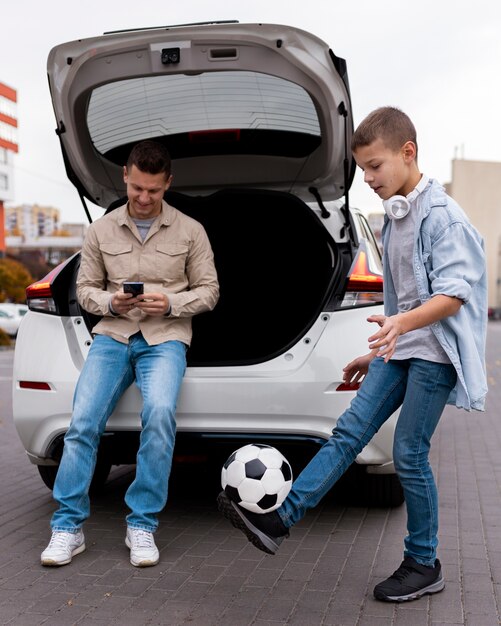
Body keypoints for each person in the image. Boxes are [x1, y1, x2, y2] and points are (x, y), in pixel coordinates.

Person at [217, 107, 487, 602]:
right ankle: (280, 520)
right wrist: (378, 352)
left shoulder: (443, 217)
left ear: (408, 154)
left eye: (375, 166)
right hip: (399, 350)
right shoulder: (397, 218)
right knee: (347, 434)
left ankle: (424, 563)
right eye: (363, 168)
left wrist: (402, 325)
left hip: (434, 357)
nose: (368, 178)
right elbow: (399, 299)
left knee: (407, 454)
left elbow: (455, 294)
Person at [41, 140, 219, 568]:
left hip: (165, 339)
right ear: (125, 175)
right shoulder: (99, 230)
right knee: (82, 422)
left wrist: (171, 304)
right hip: (113, 335)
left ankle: (142, 524)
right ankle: (67, 528)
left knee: (158, 415)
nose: (143, 198)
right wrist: (110, 303)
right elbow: (84, 290)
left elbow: (210, 291)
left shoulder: (191, 230)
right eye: (137, 188)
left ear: (167, 184)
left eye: (153, 191)